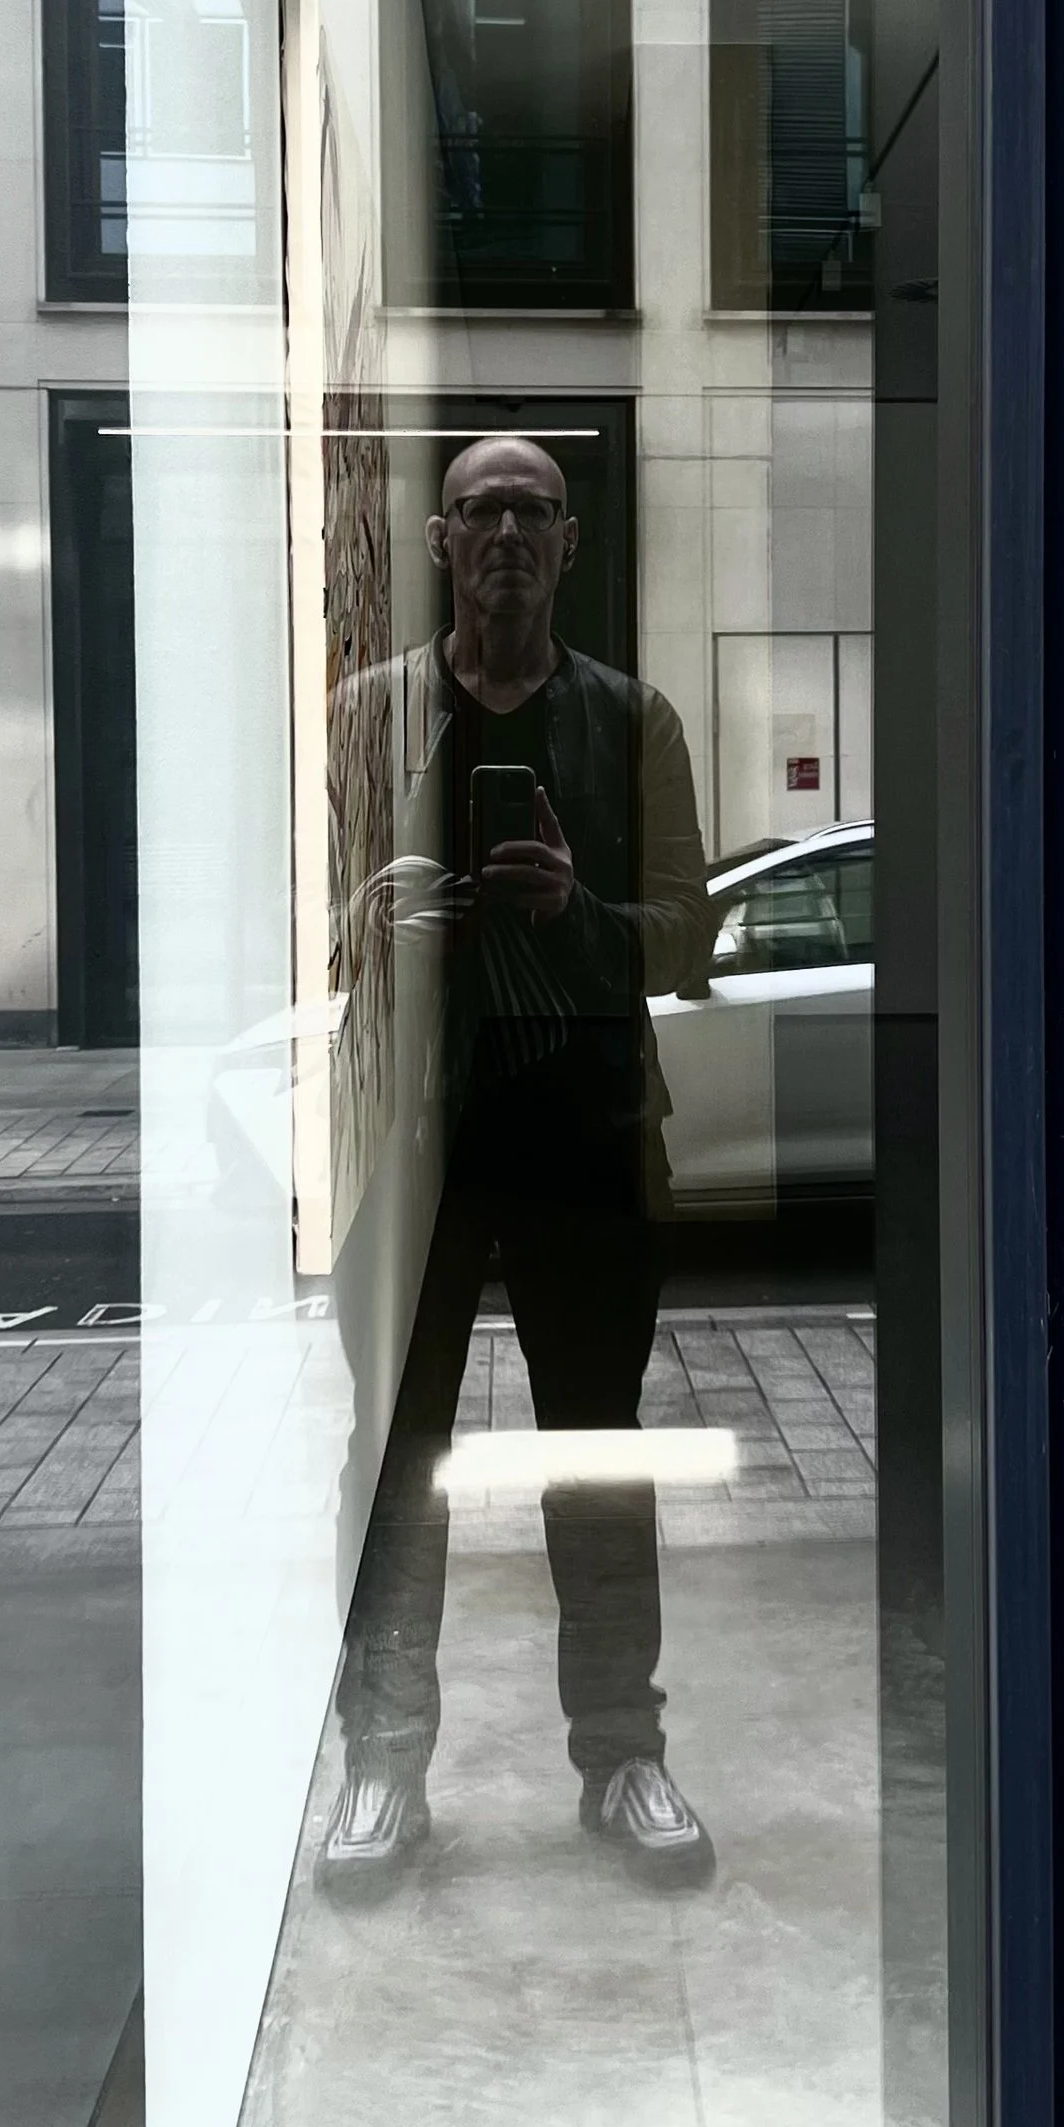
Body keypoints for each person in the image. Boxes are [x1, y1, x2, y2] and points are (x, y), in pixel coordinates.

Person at [319, 433, 716, 1898]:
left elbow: (687, 935)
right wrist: (372, 917)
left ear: (568, 541)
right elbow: (297, 929)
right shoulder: (367, 719)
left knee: (597, 1462)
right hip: (411, 1151)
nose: (502, 537)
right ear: (438, 540)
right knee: (394, 1471)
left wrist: (574, 915)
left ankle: (621, 1753)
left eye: (529, 514)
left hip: (585, 1140)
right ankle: (382, 1768)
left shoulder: (636, 721)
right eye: (478, 512)